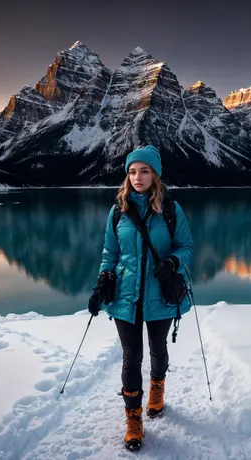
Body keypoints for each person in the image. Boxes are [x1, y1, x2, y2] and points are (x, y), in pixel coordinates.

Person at [88, 145, 194, 451]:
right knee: (131, 356)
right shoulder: (117, 210)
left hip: (160, 294)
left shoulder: (171, 210)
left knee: (158, 349)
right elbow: (110, 252)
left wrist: (172, 262)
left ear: (155, 174)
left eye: (144, 171)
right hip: (126, 296)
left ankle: (157, 389)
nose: (137, 177)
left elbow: (186, 245)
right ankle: (133, 419)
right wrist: (101, 284)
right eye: (132, 171)